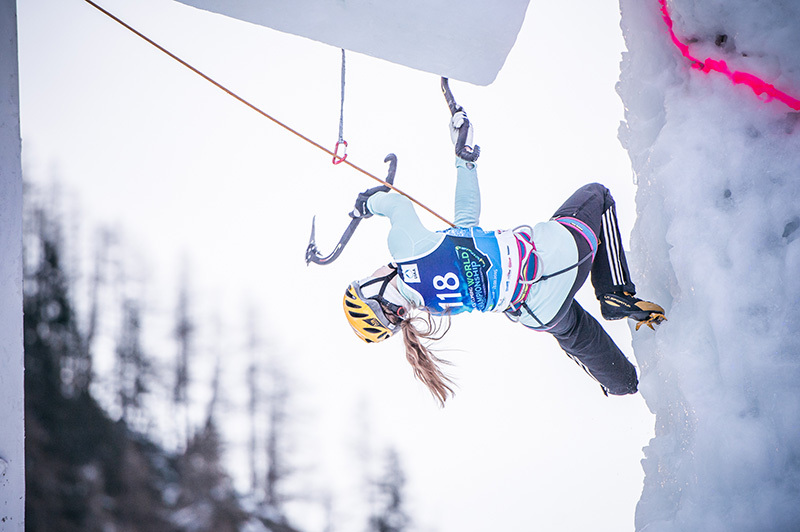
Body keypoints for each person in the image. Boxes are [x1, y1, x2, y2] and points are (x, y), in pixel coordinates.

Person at [343, 111, 665, 405]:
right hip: (555, 259)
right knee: (598, 195)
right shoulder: (407, 251)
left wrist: (465, 161)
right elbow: (398, 205)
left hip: (538, 313)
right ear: (375, 291)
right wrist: (368, 204)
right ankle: (614, 294)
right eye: (365, 280)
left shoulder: (431, 307)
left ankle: (626, 383)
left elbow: (466, 226)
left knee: (571, 331)